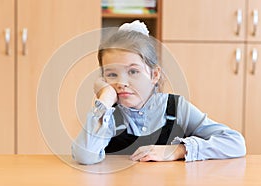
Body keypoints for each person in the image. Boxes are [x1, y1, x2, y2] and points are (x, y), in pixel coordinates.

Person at [71, 20, 246, 165]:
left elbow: (235, 143)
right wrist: (104, 101)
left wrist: (178, 150)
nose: (122, 83)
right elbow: (84, 156)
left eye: (133, 72)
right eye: (111, 74)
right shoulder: (107, 114)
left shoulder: (176, 108)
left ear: (154, 75)